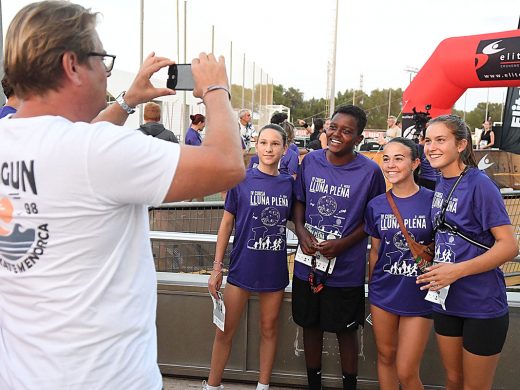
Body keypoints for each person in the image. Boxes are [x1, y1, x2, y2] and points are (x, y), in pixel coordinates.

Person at [0, 2, 245, 389]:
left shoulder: (14, 138)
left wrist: (128, 101)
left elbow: (69, 150)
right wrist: (216, 88)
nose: (106, 72)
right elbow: (228, 164)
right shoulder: (93, 151)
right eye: (102, 59)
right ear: (72, 65)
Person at [417, 115, 518, 390]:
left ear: (461, 145)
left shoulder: (479, 184)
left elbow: (509, 246)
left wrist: (457, 270)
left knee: (475, 387)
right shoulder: (440, 181)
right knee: (453, 379)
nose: (431, 147)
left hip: (481, 304)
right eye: (428, 140)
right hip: (447, 301)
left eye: (440, 140)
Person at [292, 104, 386, 390]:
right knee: (310, 325)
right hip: (307, 264)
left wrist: (343, 244)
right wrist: (301, 231)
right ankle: (314, 384)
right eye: (333, 127)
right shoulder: (310, 161)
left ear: (358, 139)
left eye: (346, 131)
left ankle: (349, 385)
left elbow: (373, 220)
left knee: (346, 331)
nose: (336, 134)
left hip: (345, 270)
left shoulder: (370, 172)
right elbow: (300, 201)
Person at [205, 124, 293, 390]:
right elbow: (226, 224)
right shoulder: (241, 180)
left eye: (275, 144)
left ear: (284, 149)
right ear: (256, 144)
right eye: (264, 142)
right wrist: (217, 267)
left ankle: (263, 385)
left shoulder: (289, 184)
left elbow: (298, 223)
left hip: (274, 270)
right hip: (242, 268)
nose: (268, 148)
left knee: (269, 329)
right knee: (224, 331)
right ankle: (212, 385)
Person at [365, 137, 434, 390]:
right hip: (384, 291)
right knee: (384, 357)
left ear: (415, 163)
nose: (390, 165)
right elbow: (375, 251)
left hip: (419, 293)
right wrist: (373, 287)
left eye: (399, 158)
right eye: (386, 158)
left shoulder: (432, 202)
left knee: (406, 369)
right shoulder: (376, 205)